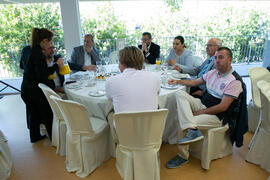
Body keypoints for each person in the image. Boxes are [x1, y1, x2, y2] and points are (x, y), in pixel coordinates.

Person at [165, 47, 246, 168]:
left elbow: (222, 107)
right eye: (216, 58)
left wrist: (200, 112)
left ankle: (183, 156)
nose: (217, 61)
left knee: (183, 122)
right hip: (203, 105)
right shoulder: (213, 73)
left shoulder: (234, 81)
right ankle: (192, 128)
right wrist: (177, 82)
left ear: (230, 60)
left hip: (217, 116)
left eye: (221, 57)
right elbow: (193, 82)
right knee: (179, 94)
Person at [105, 46, 160, 142]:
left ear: (123, 63)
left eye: (119, 62)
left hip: (125, 133)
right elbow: (157, 93)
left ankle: (112, 148)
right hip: (150, 130)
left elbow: (109, 98)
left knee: (109, 113)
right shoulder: (155, 78)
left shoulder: (111, 81)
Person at [21, 28, 64, 143]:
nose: (51, 44)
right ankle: (54, 139)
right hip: (35, 90)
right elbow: (43, 75)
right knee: (47, 114)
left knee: (33, 113)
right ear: (44, 41)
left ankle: (34, 136)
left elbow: (22, 66)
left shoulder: (26, 49)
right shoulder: (38, 54)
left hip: (25, 88)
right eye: (50, 42)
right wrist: (56, 66)